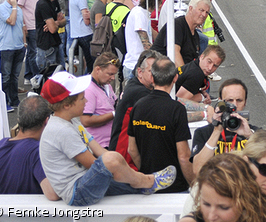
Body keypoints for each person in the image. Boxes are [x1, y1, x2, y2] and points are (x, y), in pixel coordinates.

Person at [39, 71, 177, 206]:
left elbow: (98, 149)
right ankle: (148, 181)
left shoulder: (72, 121)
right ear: (67, 105)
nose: (86, 101)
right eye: (82, 98)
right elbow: (93, 164)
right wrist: (118, 167)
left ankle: (145, 183)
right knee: (113, 161)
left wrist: (122, 169)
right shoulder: (61, 130)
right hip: (78, 192)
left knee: (122, 172)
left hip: (86, 181)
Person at [128, 56, 194, 193]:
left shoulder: (138, 106)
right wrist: (193, 185)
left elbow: (132, 150)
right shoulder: (177, 109)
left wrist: (147, 174)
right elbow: (183, 156)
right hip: (175, 186)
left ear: (152, 78)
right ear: (175, 78)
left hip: (149, 184)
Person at [0, 96, 59, 199]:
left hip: (5, 210)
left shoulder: (0, 145)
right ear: (46, 121)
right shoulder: (37, 151)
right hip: (33, 212)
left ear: (19, 119)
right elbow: (53, 194)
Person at [191, 78, 258, 174]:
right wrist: (216, 131)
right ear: (220, 102)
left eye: (239, 100)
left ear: (245, 102)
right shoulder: (204, 133)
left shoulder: (256, 134)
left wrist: (250, 136)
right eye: (230, 100)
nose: (234, 105)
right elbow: (197, 170)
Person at [180, 153, 266, 222]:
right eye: (206, 204)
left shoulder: (260, 217)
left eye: (223, 207)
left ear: (244, 202)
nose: (211, 217)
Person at [109, 50, 158, 165]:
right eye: (152, 71)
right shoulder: (139, 92)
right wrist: (204, 113)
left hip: (125, 155)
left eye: (158, 71)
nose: (156, 75)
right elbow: (168, 109)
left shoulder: (134, 84)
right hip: (123, 159)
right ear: (140, 72)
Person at [153, 0, 211, 67]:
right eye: (201, 10)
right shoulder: (177, 25)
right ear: (190, 9)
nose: (204, 15)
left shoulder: (195, 35)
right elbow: (174, 53)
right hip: (158, 71)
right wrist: (184, 75)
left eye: (207, 12)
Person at [123, 0, 163, 80]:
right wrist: (160, 57)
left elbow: (154, 35)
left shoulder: (145, 13)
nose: (161, 3)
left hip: (140, 66)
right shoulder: (139, 14)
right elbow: (145, 44)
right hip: (135, 66)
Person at [81, 52, 120, 149]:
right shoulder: (88, 89)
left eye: (114, 74)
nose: (113, 78)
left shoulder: (107, 85)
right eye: (110, 74)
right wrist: (114, 114)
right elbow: (85, 120)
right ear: (98, 69)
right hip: (98, 147)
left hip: (111, 142)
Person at [0, 0, 25, 112]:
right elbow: (11, 22)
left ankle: (14, 100)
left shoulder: (18, 9)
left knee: (14, 76)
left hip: (19, 46)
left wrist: (24, 43)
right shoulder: (2, 8)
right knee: (6, 76)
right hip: (7, 47)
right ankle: (4, 102)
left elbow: (21, 26)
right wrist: (14, 7)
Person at [34, 0, 65, 71]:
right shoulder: (43, 5)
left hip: (56, 42)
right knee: (48, 74)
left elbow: (63, 21)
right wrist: (55, 24)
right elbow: (52, 29)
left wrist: (56, 23)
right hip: (46, 45)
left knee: (60, 71)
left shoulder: (54, 1)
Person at [69, 0, 95, 71]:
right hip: (84, 32)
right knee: (91, 62)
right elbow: (86, 17)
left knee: (90, 61)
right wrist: (89, 18)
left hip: (82, 32)